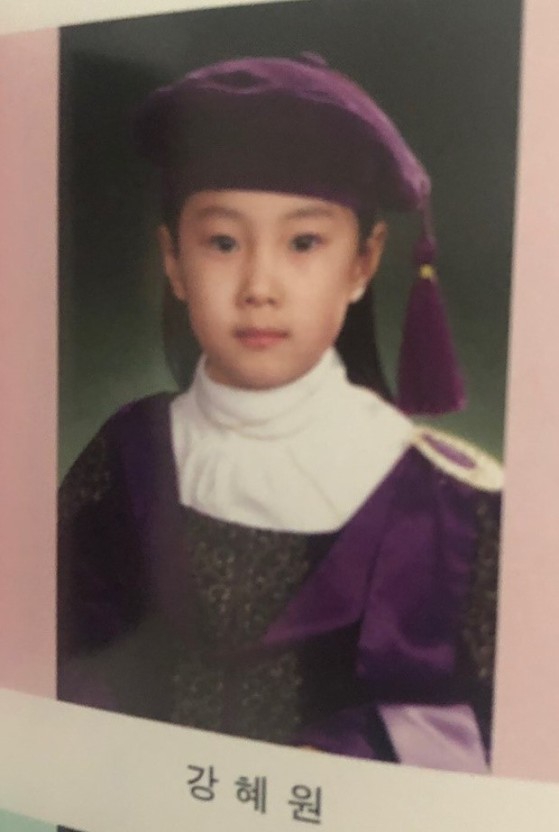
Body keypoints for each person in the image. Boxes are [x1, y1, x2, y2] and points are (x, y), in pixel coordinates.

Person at [57, 54, 502, 772]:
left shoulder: (447, 502)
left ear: (363, 262)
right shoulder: (127, 453)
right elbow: (51, 653)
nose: (258, 287)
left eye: (303, 242)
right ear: (173, 260)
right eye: (222, 243)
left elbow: (492, 727)